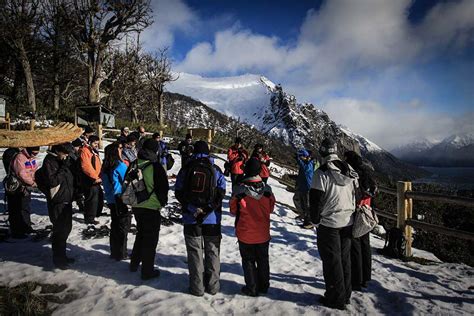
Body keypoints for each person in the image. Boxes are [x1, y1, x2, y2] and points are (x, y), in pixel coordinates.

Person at [310, 138, 358, 310]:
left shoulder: (321, 172)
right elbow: (355, 194)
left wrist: (315, 220)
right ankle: (345, 294)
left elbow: (316, 201)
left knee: (332, 261)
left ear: (322, 152)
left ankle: (335, 298)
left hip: (329, 223)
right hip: (348, 220)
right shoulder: (349, 169)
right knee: (345, 259)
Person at [175, 141, 226, 296]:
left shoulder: (186, 169)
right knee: (212, 251)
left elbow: (179, 192)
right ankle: (213, 286)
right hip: (212, 219)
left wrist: (193, 209)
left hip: (191, 218)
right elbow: (221, 193)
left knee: (195, 253)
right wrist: (207, 210)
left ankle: (197, 288)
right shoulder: (216, 170)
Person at [230, 158, 275, 296]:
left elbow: (233, 210)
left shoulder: (239, 190)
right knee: (263, 259)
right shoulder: (267, 190)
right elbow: (271, 208)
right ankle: (264, 285)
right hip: (263, 233)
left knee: (248, 260)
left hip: (245, 232)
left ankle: (252, 287)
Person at [130, 139, 169, 280]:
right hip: (151, 207)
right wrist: (162, 202)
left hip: (136, 205)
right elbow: (163, 188)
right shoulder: (155, 166)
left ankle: (134, 263)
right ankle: (147, 271)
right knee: (150, 240)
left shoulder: (135, 163)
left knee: (141, 234)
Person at [344, 151, 377, 290]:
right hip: (367, 211)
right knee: (365, 245)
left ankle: (356, 280)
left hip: (357, 211)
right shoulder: (368, 173)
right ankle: (366, 277)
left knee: (355, 246)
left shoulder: (354, 174)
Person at [38, 144, 75, 269]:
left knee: (66, 229)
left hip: (66, 199)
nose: (66, 156)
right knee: (60, 231)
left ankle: (63, 256)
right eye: (64, 153)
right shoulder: (49, 161)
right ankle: (58, 260)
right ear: (58, 151)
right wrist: (63, 167)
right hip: (58, 201)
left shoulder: (60, 161)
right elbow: (53, 181)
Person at [102, 142, 131, 261]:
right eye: (119, 148)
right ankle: (122, 253)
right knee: (123, 226)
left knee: (114, 225)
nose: (121, 150)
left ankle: (114, 251)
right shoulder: (120, 165)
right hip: (121, 198)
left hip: (110, 199)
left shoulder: (105, 166)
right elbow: (128, 178)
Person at [7, 146, 39, 238]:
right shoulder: (20, 158)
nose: (35, 155)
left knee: (25, 206)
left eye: (36, 153)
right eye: (34, 153)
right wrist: (32, 183)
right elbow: (21, 173)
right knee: (16, 208)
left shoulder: (31, 158)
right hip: (17, 187)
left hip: (26, 187)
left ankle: (26, 225)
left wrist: (35, 179)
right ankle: (16, 230)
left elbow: (34, 169)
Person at [79, 135, 103, 224]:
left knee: (99, 197)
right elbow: (86, 166)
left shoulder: (93, 151)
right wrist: (95, 177)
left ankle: (96, 212)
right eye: (94, 143)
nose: (96, 145)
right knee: (91, 199)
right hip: (90, 179)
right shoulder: (85, 151)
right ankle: (89, 217)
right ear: (89, 142)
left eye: (97, 143)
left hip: (97, 178)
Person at [294, 149, 315, 229]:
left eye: (301, 156)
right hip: (303, 187)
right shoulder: (307, 163)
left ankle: (309, 222)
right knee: (303, 204)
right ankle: (306, 221)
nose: (300, 158)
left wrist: (298, 159)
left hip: (307, 188)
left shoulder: (309, 164)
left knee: (307, 206)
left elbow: (305, 168)